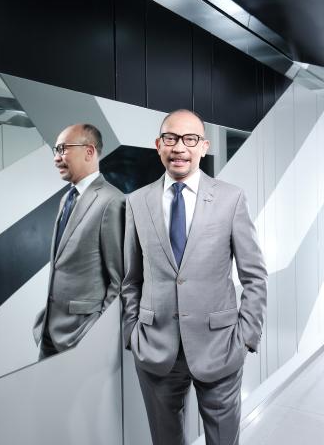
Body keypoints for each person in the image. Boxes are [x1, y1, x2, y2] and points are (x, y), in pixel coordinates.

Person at [122, 109, 267, 445]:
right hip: (156, 349)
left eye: (189, 139)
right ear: (158, 145)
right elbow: (131, 278)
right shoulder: (137, 201)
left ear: (203, 147)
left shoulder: (231, 198)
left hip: (220, 347)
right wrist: (132, 332)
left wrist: (246, 337)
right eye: (170, 139)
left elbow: (255, 275)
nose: (179, 148)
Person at [33, 123, 125, 359]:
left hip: (83, 335)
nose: (56, 158)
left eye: (62, 149)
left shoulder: (112, 201)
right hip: (50, 330)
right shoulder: (67, 198)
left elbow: (121, 280)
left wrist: (98, 332)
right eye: (55, 150)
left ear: (89, 151)